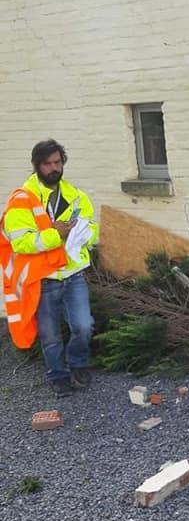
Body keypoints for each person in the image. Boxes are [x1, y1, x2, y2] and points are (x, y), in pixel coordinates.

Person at [0, 139, 99, 397]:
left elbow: (93, 230)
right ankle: (58, 375)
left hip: (73, 273)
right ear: (37, 166)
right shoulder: (23, 199)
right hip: (43, 278)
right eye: (48, 164)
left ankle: (78, 363)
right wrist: (58, 234)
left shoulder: (75, 194)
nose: (54, 168)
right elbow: (20, 242)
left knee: (84, 326)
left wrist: (83, 234)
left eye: (58, 162)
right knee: (50, 335)